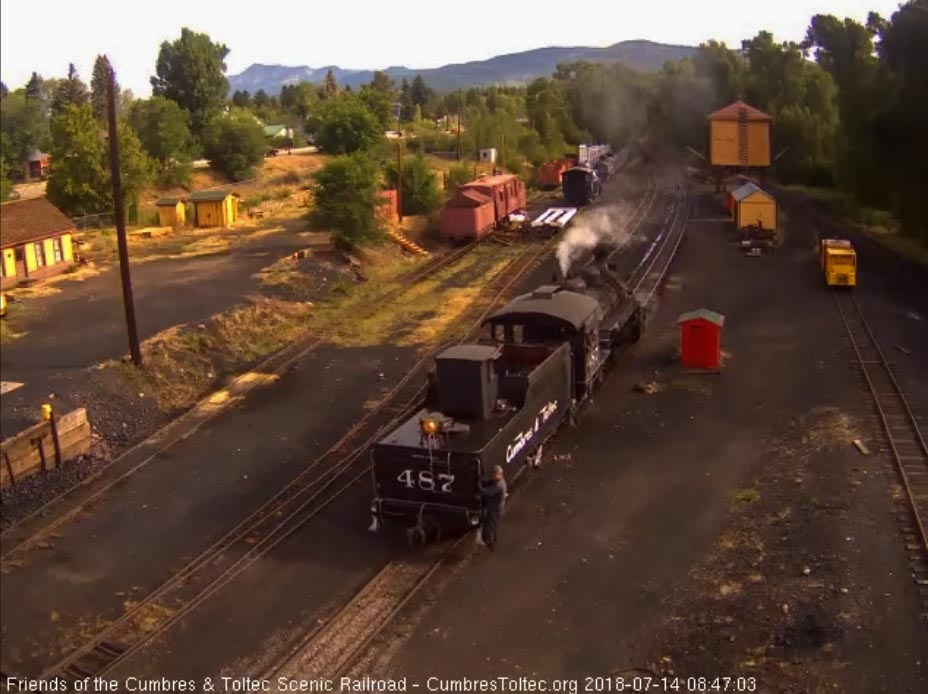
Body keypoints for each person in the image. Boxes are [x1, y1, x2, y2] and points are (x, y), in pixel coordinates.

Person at [479, 465, 507, 549]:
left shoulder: (499, 485)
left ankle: (489, 542)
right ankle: (494, 538)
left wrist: (479, 487)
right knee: (493, 524)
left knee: (489, 524)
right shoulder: (499, 481)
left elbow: (488, 492)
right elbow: (490, 482)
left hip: (495, 509)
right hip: (496, 508)